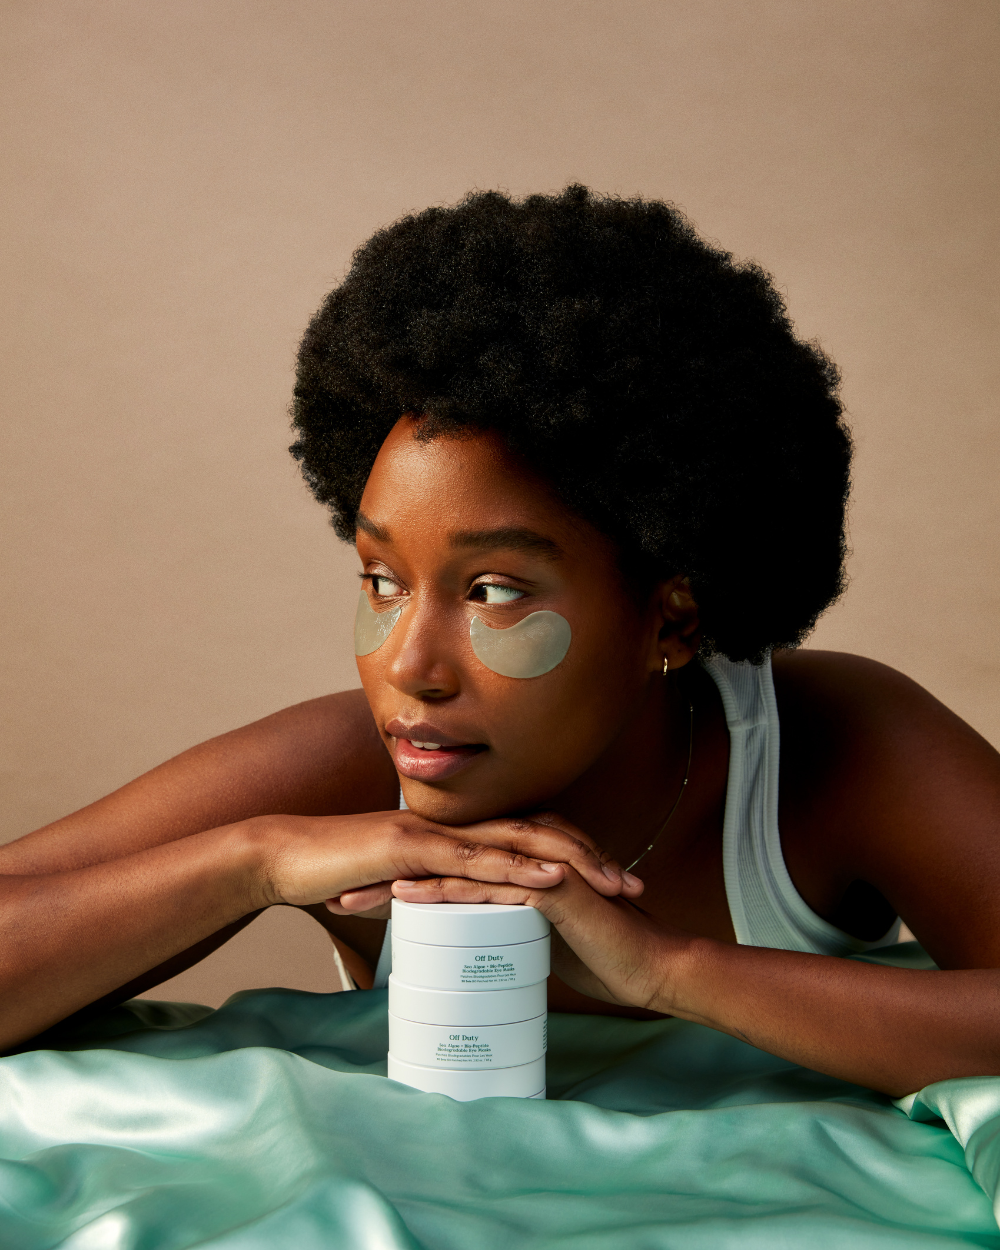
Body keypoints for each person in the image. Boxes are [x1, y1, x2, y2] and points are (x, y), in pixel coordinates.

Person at [3, 186, 998, 1100]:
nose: (409, 666)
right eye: (382, 581)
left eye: (493, 592)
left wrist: (663, 968)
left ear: (673, 614)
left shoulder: (840, 745)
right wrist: (254, 858)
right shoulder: (344, 770)